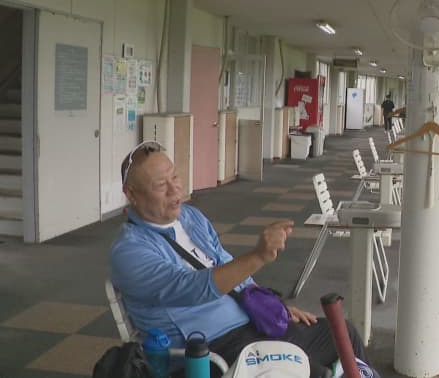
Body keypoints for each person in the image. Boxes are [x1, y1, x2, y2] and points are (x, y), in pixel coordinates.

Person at [110, 142, 371, 378]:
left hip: (251, 323)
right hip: (210, 347)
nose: (174, 189)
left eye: (175, 176)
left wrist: (273, 307)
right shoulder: (129, 251)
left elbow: (226, 263)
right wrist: (257, 256)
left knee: (343, 336)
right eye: (159, 185)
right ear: (131, 194)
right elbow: (193, 287)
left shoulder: (191, 217)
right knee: (312, 373)